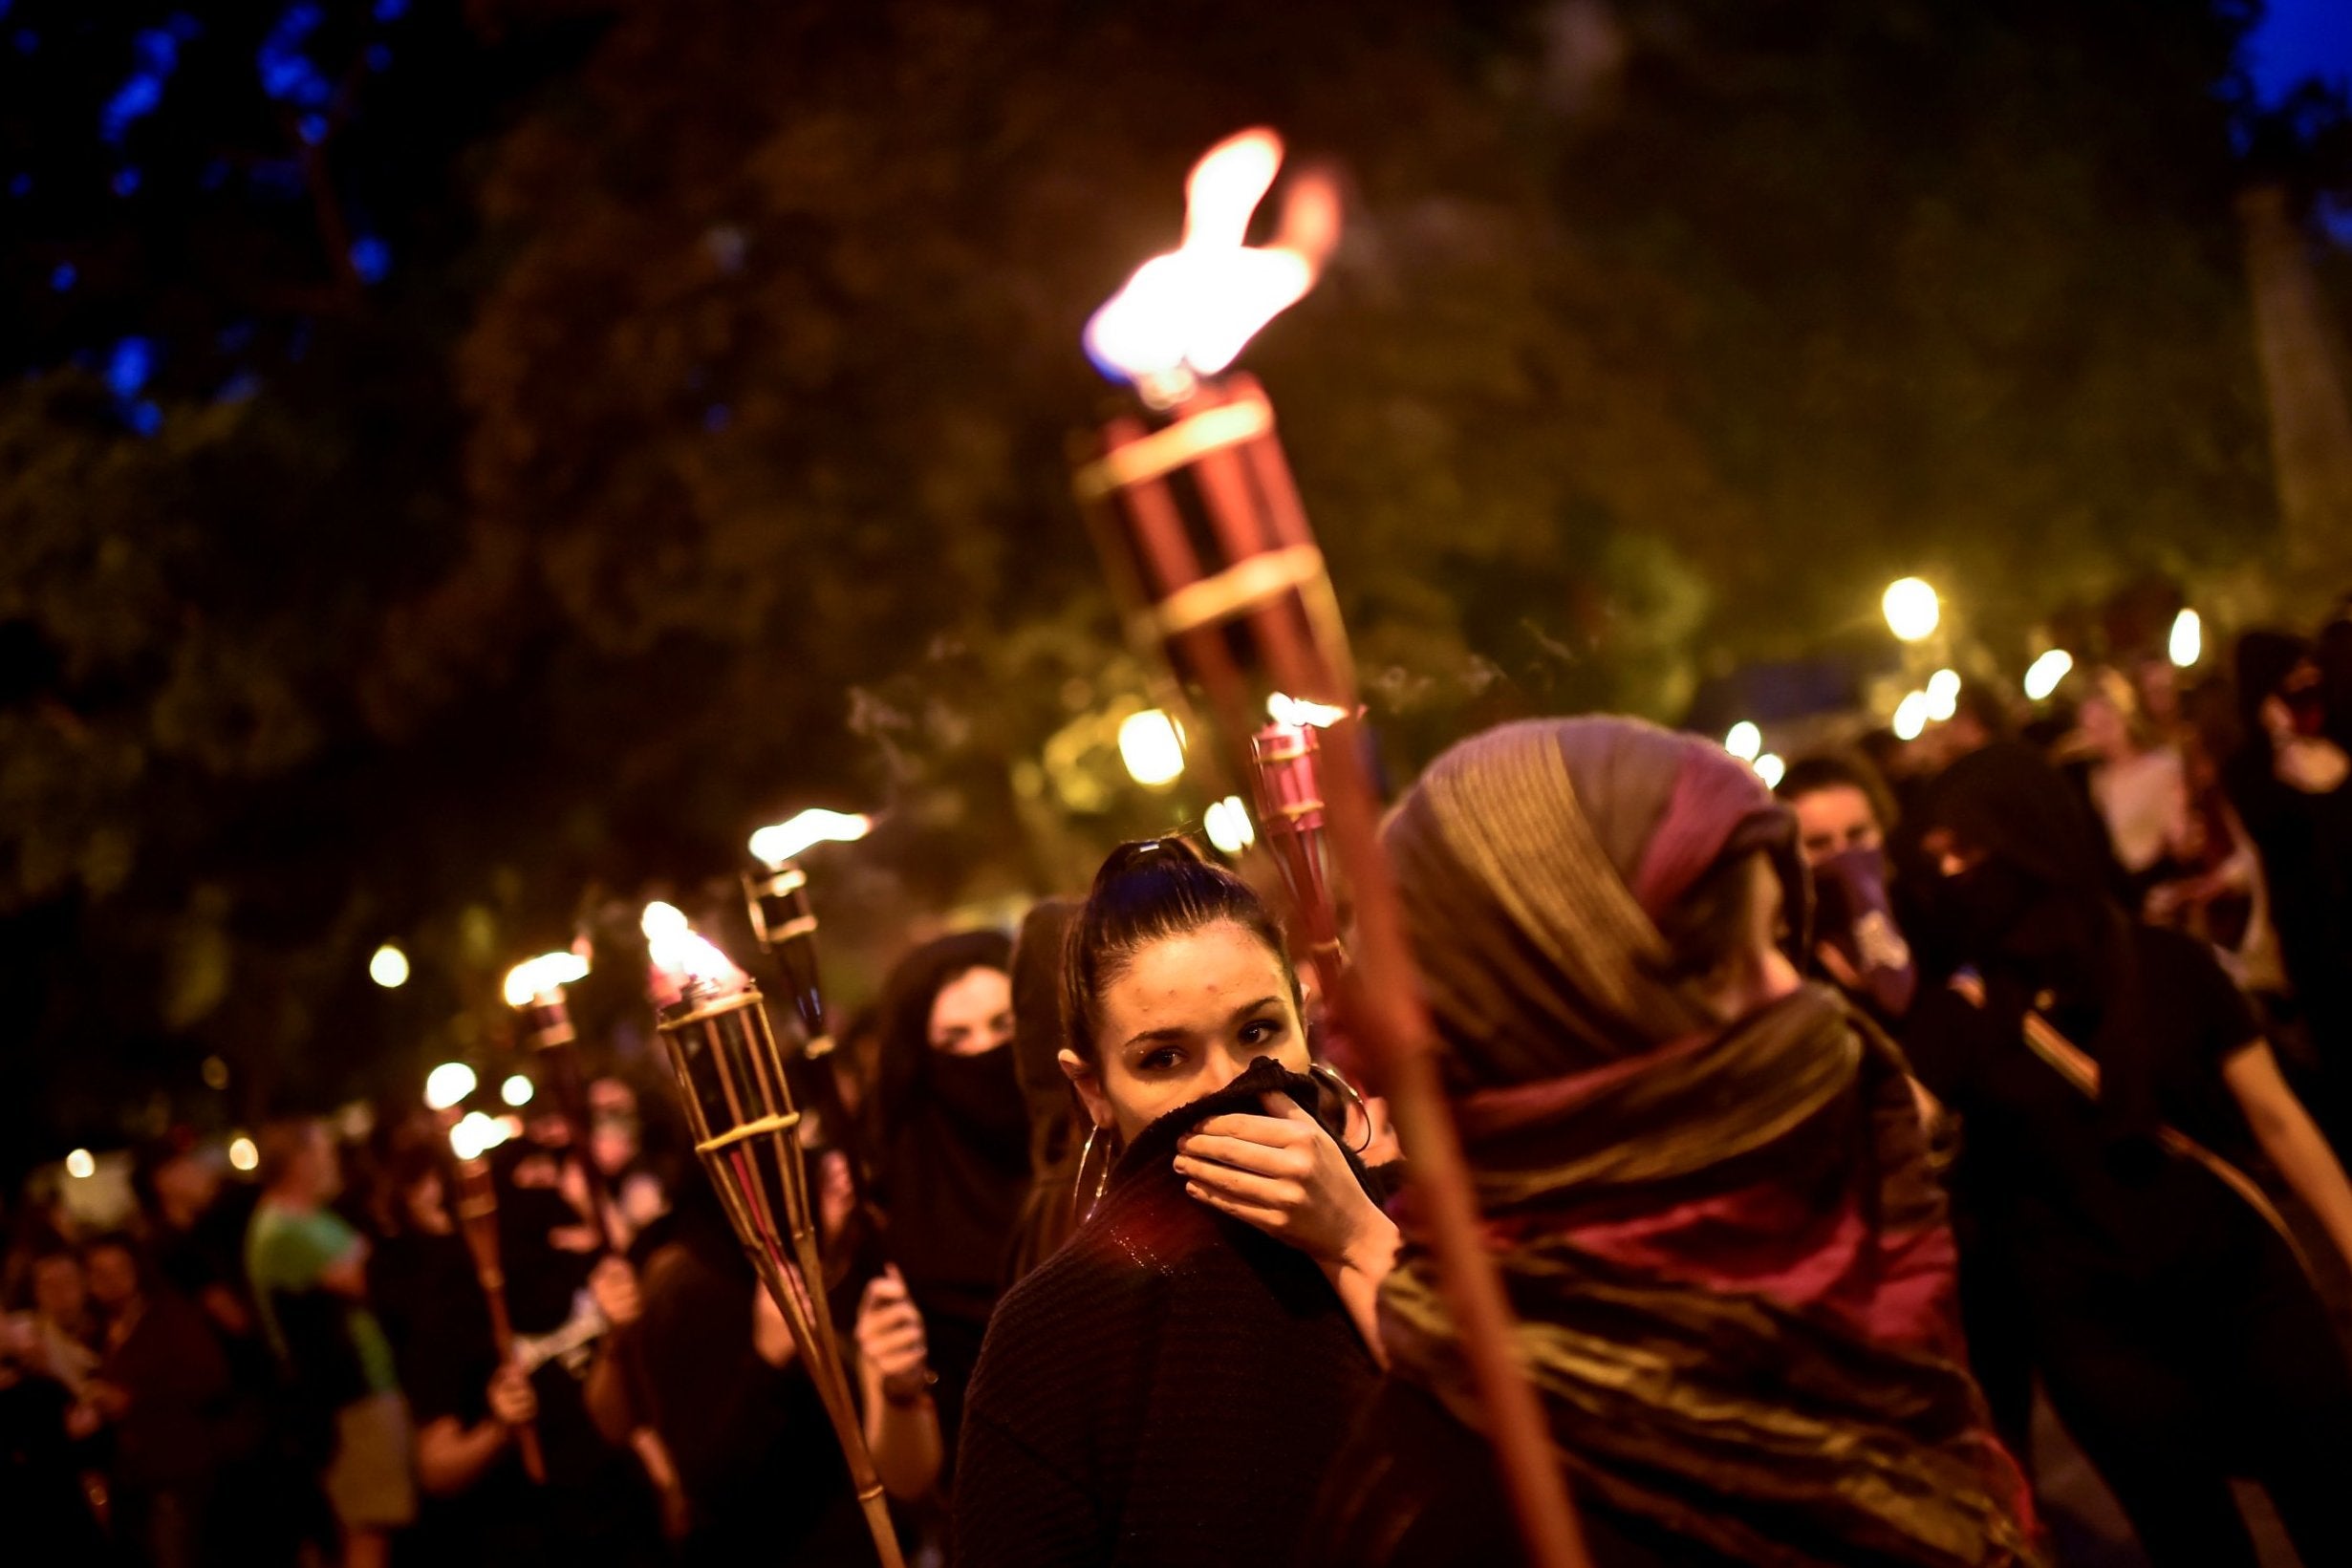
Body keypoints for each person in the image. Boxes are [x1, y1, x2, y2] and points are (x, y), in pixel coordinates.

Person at [1310, 717, 2039, 1567]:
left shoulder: (1825, 1284)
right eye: (1717, 965)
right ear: (1561, 1030)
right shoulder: (1456, 1512)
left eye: (1777, 944)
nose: (1799, 1002)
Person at [1906, 741, 2352, 1567]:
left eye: (1968, 847)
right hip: (2099, 1339)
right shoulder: (1956, 1016)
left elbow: (2278, 1121)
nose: (1955, 874)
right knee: (2194, 1544)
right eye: (1936, 859)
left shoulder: (2167, 964)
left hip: (2246, 1291)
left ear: (2030, 834)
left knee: (2334, 1499)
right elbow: (1901, 1123)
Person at [955, 840, 1393, 1567]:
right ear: (1091, 1087)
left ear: (1303, 1019)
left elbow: (1539, 1467)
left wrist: (1355, 1236)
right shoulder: (1050, 1338)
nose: (1228, 1081)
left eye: (1258, 1032)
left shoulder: (1423, 1219)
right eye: (1163, 1058)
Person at [867, 929, 1026, 1467]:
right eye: (955, 1039)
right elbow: (906, 1479)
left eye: (1003, 1026)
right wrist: (898, 1386)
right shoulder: (891, 1222)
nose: (984, 1051)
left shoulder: (1097, 1162)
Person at [246, 1117, 415, 1567]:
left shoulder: (308, 1218)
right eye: (323, 1152)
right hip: (349, 1399)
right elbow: (371, 1279)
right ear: (299, 1161)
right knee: (369, 1527)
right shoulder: (281, 1231)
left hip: (364, 1389)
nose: (332, 1162)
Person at [2224, 630, 2352, 1148]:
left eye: (2308, 672)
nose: (2304, 685)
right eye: (2289, 679)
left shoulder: (2343, 735)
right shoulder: (2250, 770)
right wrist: (2284, 743)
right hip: (2319, 946)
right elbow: (2281, 833)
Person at [83, 1232, 231, 1568]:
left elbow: (209, 1378)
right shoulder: (99, 1332)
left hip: (178, 1467)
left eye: (118, 1268)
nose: (110, 1280)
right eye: (98, 1272)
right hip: (135, 1478)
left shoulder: (169, 1318)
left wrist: (136, 1400)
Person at [1778, 751, 1918, 1020]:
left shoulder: (1930, 917)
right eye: (1818, 844)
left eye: (1857, 835)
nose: (1843, 856)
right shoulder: (1788, 964)